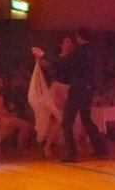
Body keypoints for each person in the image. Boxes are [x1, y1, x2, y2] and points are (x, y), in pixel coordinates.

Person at [33, 26, 107, 163]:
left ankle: (71, 154)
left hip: (77, 89)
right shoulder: (92, 51)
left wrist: (43, 54)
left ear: (79, 36)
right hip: (87, 89)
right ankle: (101, 149)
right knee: (86, 119)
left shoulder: (79, 51)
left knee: (67, 121)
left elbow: (62, 63)